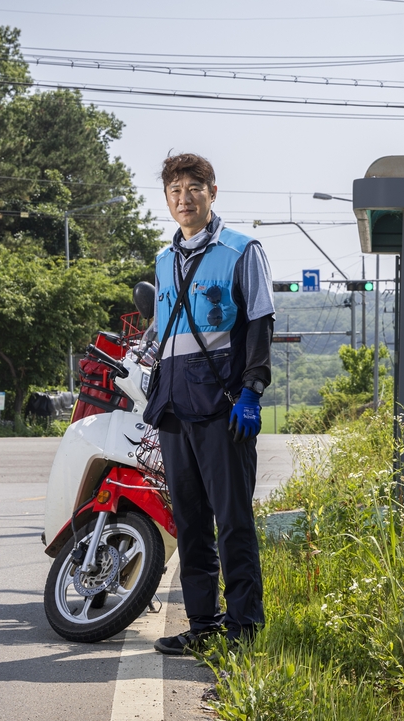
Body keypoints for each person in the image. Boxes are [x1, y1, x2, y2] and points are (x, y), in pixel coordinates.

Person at [144, 153, 274, 655]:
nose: (184, 198)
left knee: (233, 520)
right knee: (192, 526)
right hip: (174, 407)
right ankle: (203, 626)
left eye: (194, 188)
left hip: (223, 407)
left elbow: (260, 323)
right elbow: (165, 332)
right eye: (175, 190)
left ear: (212, 192)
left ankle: (244, 629)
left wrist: (251, 390)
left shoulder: (242, 250)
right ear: (168, 200)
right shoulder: (163, 259)